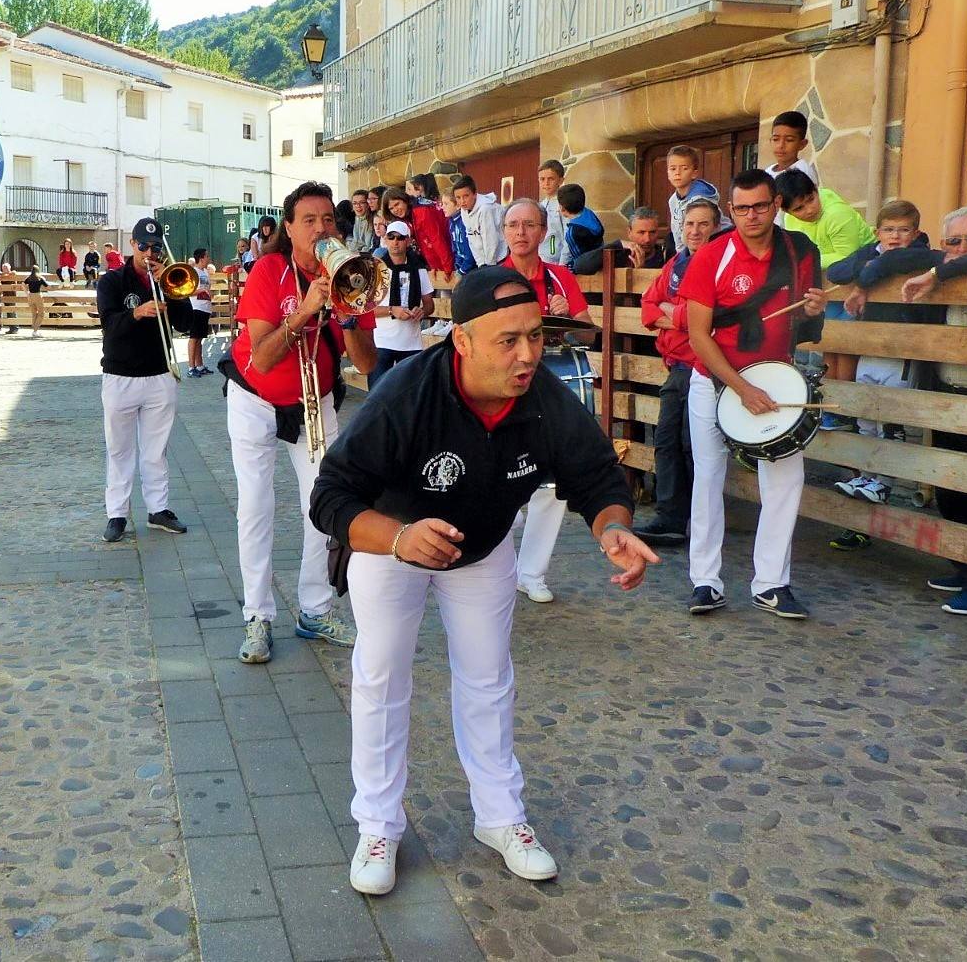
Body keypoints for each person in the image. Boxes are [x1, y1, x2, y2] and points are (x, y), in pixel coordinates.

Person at [310, 265, 657, 896]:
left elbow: (597, 476)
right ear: (461, 341)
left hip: (486, 546)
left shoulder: (544, 397)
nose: (527, 356)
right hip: (394, 544)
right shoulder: (404, 396)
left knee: (488, 677)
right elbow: (328, 496)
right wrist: (394, 538)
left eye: (536, 337)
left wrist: (613, 529)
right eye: (508, 341)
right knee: (382, 677)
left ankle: (500, 819)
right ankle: (379, 825)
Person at [221, 181, 377, 665]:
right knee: (255, 506)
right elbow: (263, 360)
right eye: (308, 220)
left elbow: (367, 364)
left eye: (328, 220)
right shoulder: (270, 270)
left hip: (316, 398)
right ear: (289, 229)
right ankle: (257, 615)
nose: (320, 229)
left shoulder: (353, 273)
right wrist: (308, 309)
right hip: (256, 399)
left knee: (325, 503)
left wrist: (350, 314)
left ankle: (315, 609)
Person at [680, 169, 825, 619]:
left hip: (774, 378)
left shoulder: (800, 251)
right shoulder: (712, 256)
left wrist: (815, 309)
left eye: (760, 206)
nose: (751, 216)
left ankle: (772, 584)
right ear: (730, 210)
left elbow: (803, 328)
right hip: (715, 379)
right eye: (741, 208)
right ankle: (705, 580)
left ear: (775, 204)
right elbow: (698, 334)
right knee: (707, 478)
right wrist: (740, 387)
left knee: (784, 479)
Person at [899, 208, 967, 615]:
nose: (963, 248)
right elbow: (886, 256)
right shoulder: (937, 275)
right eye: (953, 242)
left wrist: (936, 274)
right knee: (951, 491)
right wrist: (863, 282)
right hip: (945, 398)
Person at [498, 199, 594, 604]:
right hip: (505, 386)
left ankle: (531, 572)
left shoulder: (560, 278)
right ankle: (494, 566)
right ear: (504, 231)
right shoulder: (490, 280)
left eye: (529, 225)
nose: (520, 232)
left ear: (543, 232)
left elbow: (589, 334)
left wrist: (567, 316)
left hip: (551, 385)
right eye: (513, 225)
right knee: (500, 476)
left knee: (553, 481)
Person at [823, 199, 927, 549]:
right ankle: (866, 477)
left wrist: (864, 279)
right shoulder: (873, 251)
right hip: (869, 345)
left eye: (903, 230)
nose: (896, 237)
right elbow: (838, 271)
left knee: (891, 421)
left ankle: (883, 480)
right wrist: (865, 271)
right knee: (865, 415)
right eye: (889, 230)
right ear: (877, 231)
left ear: (915, 232)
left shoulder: (921, 253)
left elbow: (893, 263)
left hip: (900, 350)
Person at [97, 218, 196, 543]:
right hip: (120, 375)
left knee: (156, 450)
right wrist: (137, 312)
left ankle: (158, 509)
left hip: (159, 375)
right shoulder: (112, 280)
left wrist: (170, 291)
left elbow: (186, 323)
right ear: (132, 245)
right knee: (120, 450)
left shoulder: (167, 278)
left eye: (155, 248)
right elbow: (109, 326)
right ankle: (117, 514)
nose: (149, 253)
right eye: (143, 246)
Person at [634, 195, 720, 546]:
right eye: (689, 224)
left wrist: (677, 316)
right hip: (677, 366)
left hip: (704, 367)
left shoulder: (719, 264)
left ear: (716, 228)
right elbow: (647, 306)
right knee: (667, 440)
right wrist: (680, 316)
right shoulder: (676, 264)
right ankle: (670, 517)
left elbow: (709, 316)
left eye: (703, 223)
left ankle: (696, 521)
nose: (695, 230)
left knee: (691, 445)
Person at [775, 170, 875, 428]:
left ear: (816, 190)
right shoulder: (793, 221)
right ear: (786, 211)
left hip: (854, 285)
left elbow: (848, 257)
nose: (809, 209)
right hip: (828, 289)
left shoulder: (837, 215)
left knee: (847, 346)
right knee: (830, 344)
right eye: (799, 207)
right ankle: (834, 407)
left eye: (811, 199)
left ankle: (847, 411)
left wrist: (815, 257)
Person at [370, 221, 433, 388]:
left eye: (400, 238)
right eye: (391, 237)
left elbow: (429, 304)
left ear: (408, 241)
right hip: (382, 342)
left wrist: (422, 311)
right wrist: (392, 310)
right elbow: (367, 308)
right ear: (386, 240)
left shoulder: (419, 269)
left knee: (411, 396)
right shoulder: (377, 269)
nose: (395, 242)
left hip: (411, 343)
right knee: (378, 395)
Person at [571, 207, 669, 274]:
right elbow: (579, 266)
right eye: (641, 233)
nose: (647, 239)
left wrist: (641, 272)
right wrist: (617, 244)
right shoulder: (619, 254)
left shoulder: (665, 256)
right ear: (629, 232)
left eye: (652, 232)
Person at [665, 146, 719, 253]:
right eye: (673, 169)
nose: (677, 173)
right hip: (688, 251)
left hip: (712, 246)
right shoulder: (673, 201)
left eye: (684, 168)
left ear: (694, 173)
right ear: (668, 173)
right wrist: (681, 254)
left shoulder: (702, 199)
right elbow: (677, 229)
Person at [543, 183, 605, 270]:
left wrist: (561, 268)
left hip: (587, 265)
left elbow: (572, 254)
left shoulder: (573, 232)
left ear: (562, 208)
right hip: (601, 257)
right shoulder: (589, 214)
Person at [450, 175, 505, 267]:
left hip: (499, 259)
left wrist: (489, 265)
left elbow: (490, 240)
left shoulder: (485, 209)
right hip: (484, 262)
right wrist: (480, 263)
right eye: (458, 197)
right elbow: (472, 238)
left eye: (466, 196)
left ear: (475, 194)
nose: (462, 201)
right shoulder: (464, 210)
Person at [404, 174, 455, 274]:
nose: (407, 193)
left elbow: (436, 238)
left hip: (440, 263)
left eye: (409, 189)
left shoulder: (423, 210)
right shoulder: (431, 205)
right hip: (438, 260)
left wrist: (447, 266)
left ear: (420, 188)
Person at [765, 110, 818, 185]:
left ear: (802, 144)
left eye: (789, 140)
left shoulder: (802, 172)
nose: (781, 145)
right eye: (775, 139)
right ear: (770, 141)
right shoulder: (768, 171)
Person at [186, 248, 215, 377]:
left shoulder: (205, 273)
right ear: (201, 258)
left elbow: (207, 288)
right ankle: (191, 367)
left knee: (199, 339)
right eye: (207, 256)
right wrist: (202, 292)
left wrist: (209, 293)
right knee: (194, 338)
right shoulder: (194, 273)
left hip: (205, 308)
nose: (208, 258)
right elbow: (189, 292)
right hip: (196, 308)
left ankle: (200, 365)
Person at [24, 265, 48, 336]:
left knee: (34, 313)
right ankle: (35, 330)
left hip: (30, 295)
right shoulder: (40, 278)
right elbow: (47, 286)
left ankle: (35, 331)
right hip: (37, 295)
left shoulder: (29, 278)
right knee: (41, 313)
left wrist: (27, 293)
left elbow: (23, 284)